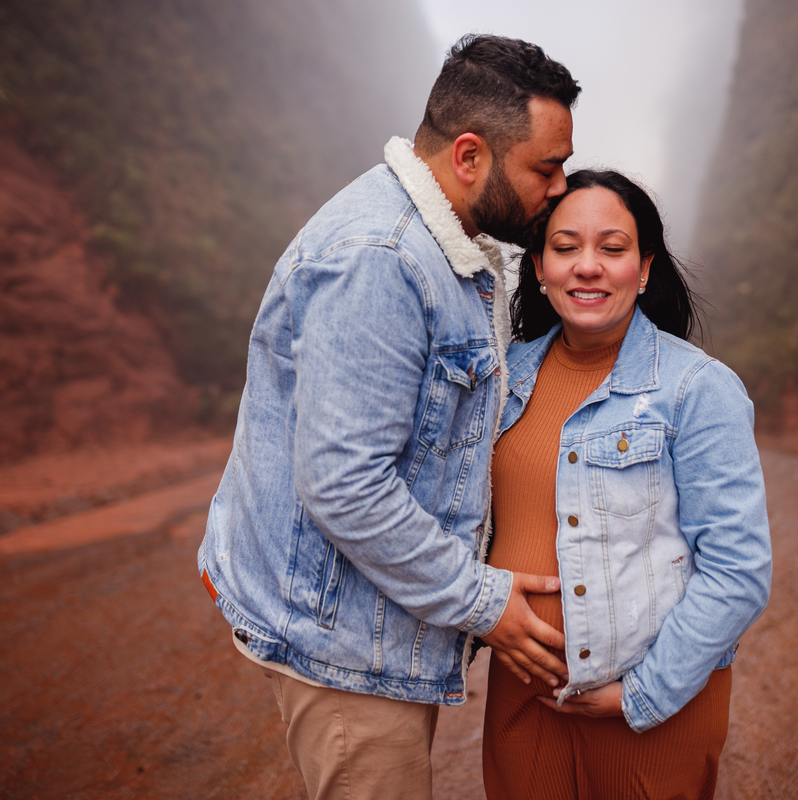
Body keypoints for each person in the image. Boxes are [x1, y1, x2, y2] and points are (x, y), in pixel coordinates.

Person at [196, 35, 581, 800]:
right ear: (469, 156)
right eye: (546, 167)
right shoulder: (383, 257)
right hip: (343, 647)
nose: (561, 186)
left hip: (366, 623)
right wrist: (483, 601)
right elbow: (343, 485)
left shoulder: (458, 247)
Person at [482, 170, 773, 799]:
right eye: (565, 248)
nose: (588, 266)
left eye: (612, 249)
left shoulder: (697, 389)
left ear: (643, 269)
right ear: (538, 266)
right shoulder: (500, 380)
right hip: (524, 697)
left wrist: (639, 695)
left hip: (651, 706)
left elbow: (738, 570)